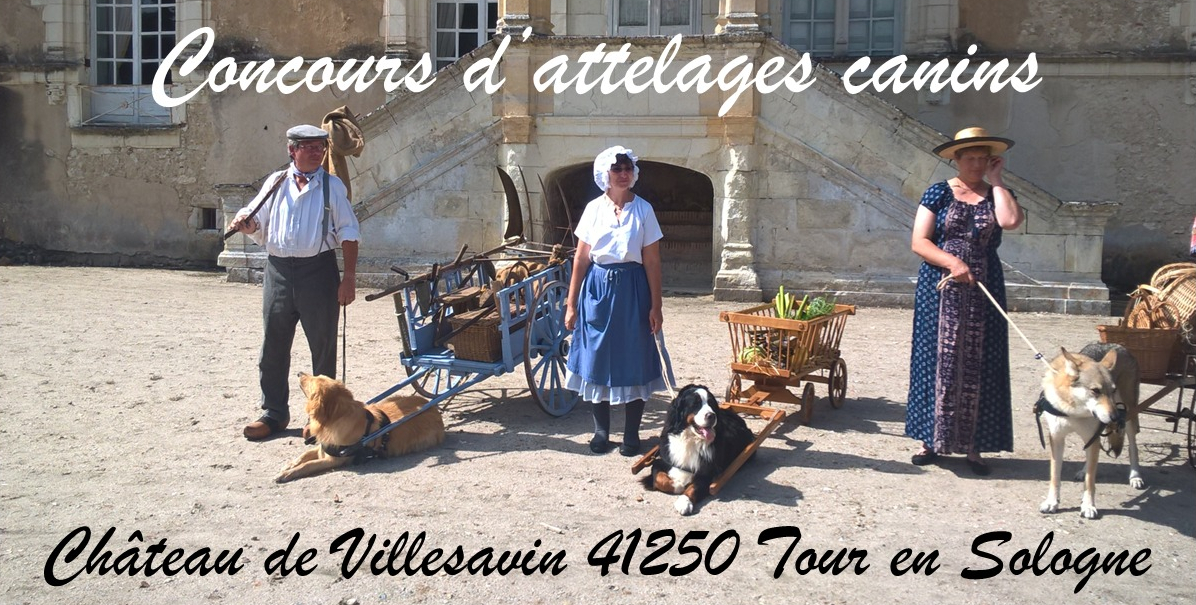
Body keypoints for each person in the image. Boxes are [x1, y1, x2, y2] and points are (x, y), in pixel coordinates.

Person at [230, 124, 361, 440]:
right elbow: (255, 216)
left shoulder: (332, 187)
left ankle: (322, 417)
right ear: (292, 150)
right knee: (273, 345)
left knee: (323, 346)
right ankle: (273, 414)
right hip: (278, 272)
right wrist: (245, 223)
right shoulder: (276, 182)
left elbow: (349, 232)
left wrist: (349, 279)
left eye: (320, 147)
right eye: (309, 147)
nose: (317, 153)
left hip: (319, 273)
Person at [906, 127, 1025, 475]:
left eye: (982, 158)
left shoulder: (998, 193)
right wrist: (953, 262)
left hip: (985, 288)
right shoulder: (938, 193)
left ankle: (975, 445)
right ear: (955, 159)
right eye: (969, 157)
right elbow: (920, 242)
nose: (975, 163)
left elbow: (1010, 221)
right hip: (939, 288)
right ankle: (931, 440)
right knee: (935, 360)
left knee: (981, 362)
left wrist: (997, 179)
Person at [564, 145, 669, 457]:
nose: (623, 174)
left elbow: (652, 262)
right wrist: (571, 304)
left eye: (627, 168)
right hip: (598, 290)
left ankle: (632, 433)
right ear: (605, 175)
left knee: (635, 355)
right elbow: (581, 260)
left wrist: (656, 305)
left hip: (634, 289)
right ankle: (601, 430)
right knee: (597, 356)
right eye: (617, 169)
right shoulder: (594, 209)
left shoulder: (644, 210)